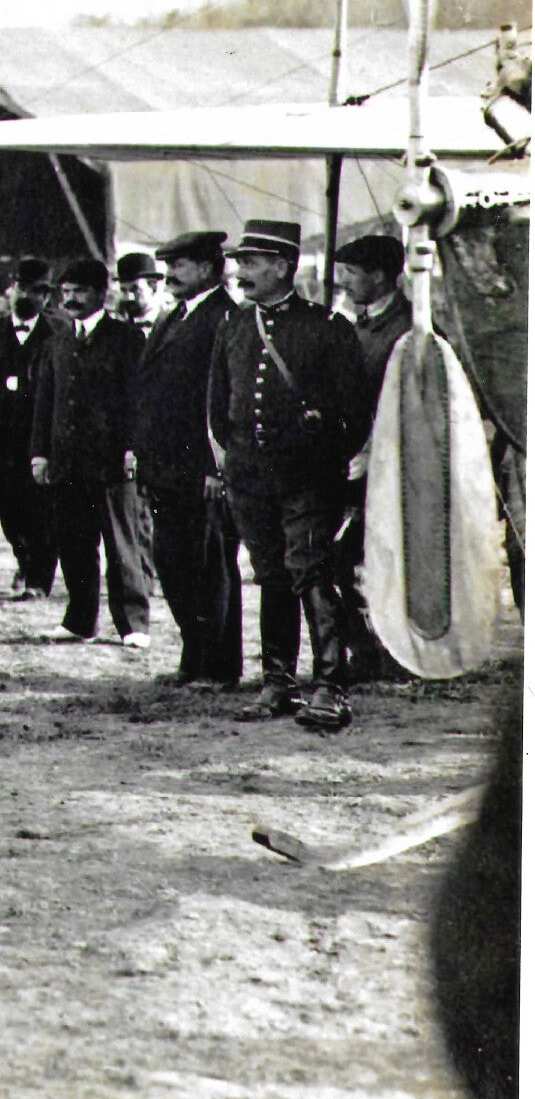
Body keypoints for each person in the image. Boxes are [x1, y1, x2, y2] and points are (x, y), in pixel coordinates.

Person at [209, 219, 370, 729]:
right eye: (239, 263)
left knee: (312, 572)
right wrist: (238, 459)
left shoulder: (327, 328)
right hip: (250, 477)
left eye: (250, 263)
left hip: (307, 479)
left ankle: (330, 686)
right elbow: (218, 406)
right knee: (271, 575)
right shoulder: (234, 326)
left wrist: (318, 456)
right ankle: (278, 683)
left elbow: (354, 414)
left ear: (282, 267)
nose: (240, 273)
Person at [134, 230, 244, 688]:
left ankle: (218, 666)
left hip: (202, 469)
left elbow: (224, 400)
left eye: (178, 266)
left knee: (210, 566)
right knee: (174, 563)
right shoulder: (174, 316)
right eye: (168, 266)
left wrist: (215, 467)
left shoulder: (225, 319)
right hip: (166, 467)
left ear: (207, 268)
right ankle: (194, 656)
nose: (169, 275)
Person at [29, 258, 151, 647]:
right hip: (67, 462)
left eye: (80, 292)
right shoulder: (57, 342)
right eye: (66, 292)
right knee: (74, 544)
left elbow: (139, 401)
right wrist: (40, 453)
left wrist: (134, 448)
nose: (71, 299)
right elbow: (45, 402)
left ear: (101, 293)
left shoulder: (127, 339)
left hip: (112, 463)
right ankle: (80, 621)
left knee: (122, 544)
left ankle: (133, 624)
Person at [331, 231, 413, 683]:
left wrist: (373, 452)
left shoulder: (411, 331)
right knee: (343, 560)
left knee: (381, 562)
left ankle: (393, 656)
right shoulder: (359, 327)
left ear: (379, 276)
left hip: (394, 471)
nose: (343, 282)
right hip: (355, 469)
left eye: (351, 273)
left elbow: (412, 408)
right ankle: (367, 652)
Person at [0, 258, 70, 597]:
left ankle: (38, 579)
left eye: (36, 291)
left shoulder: (59, 332)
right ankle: (24, 557)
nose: (27, 296)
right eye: (22, 288)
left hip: (38, 436)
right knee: (4, 504)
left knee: (41, 508)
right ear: (11, 289)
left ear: (46, 297)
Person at [115, 251, 169, 337]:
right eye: (124, 290)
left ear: (153, 287)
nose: (129, 297)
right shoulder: (116, 330)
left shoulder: (171, 324)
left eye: (135, 290)